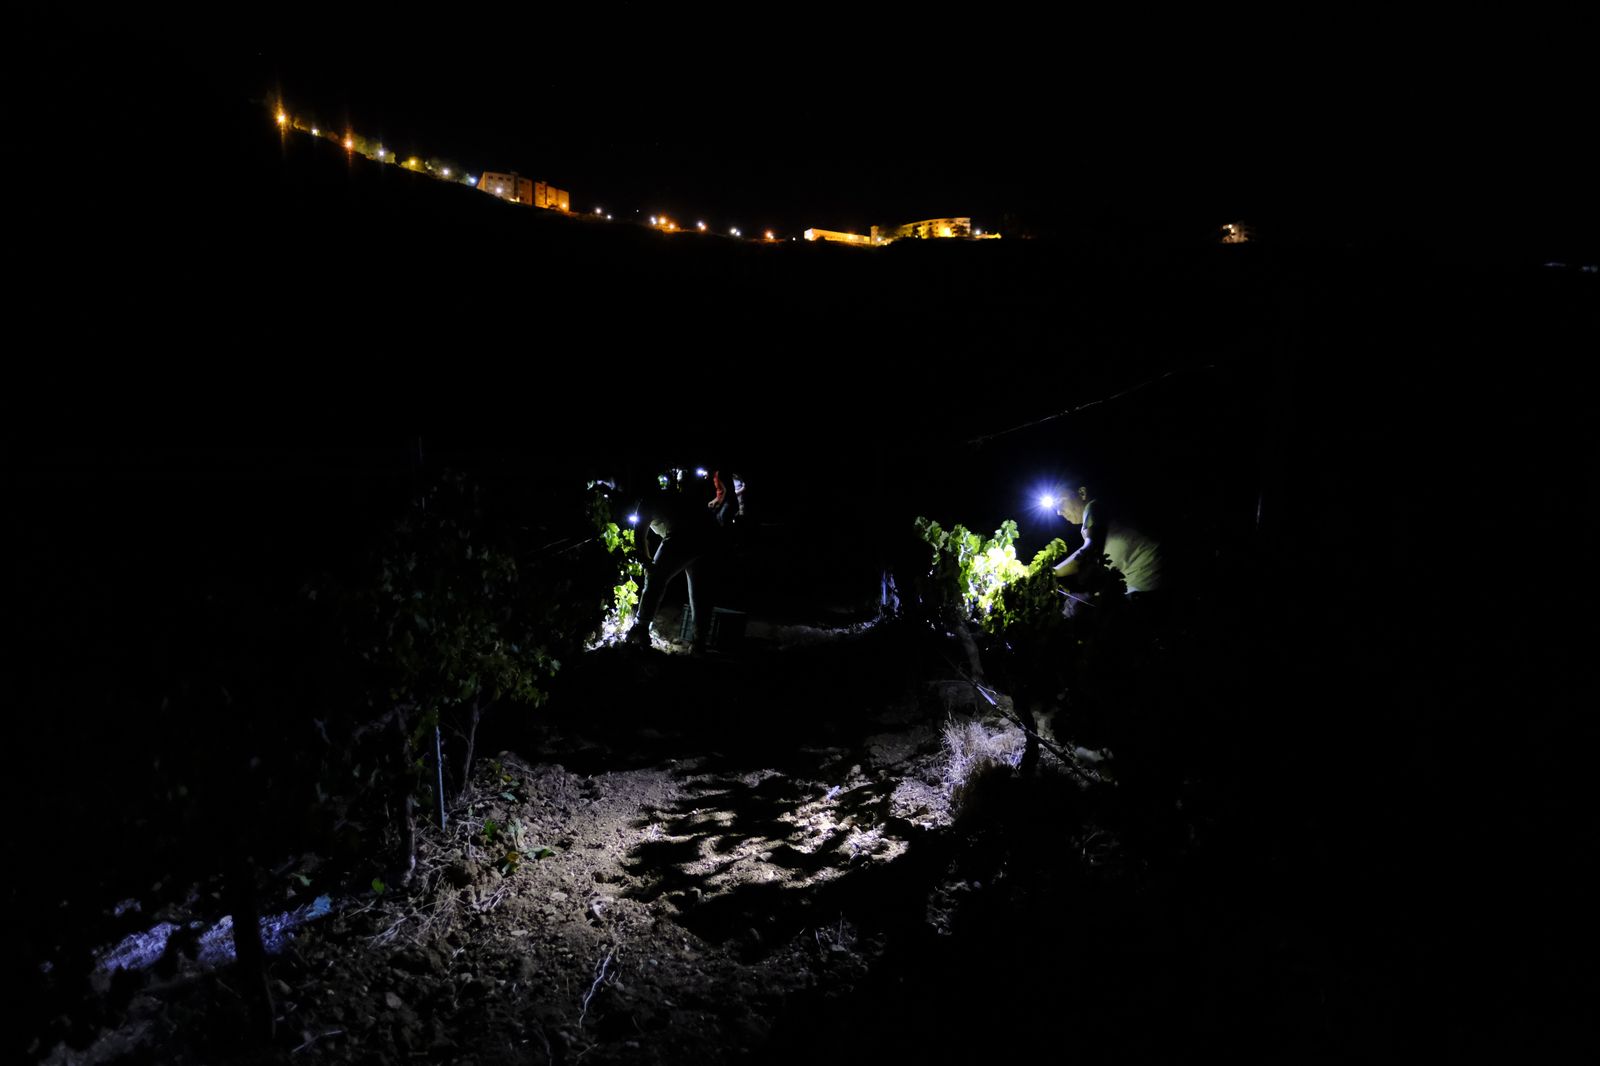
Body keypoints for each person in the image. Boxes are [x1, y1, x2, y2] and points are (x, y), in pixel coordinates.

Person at [626, 485, 719, 651]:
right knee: (698, 593)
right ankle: (699, 642)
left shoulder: (644, 504)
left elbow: (639, 536)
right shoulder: (665, 495)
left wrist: (647, 563)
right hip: (708, 533)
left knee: (655, 578)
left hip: (682, 535)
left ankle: (640, 628)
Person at [1052, 483, 1163, 597]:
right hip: (1139, 580)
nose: (1059, 512)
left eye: (1060, 502)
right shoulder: (1093, 522)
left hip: (1148, 576)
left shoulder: (1093, 507)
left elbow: (1089, 550)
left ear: (1082, 493)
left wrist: (1053, 572)